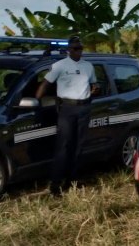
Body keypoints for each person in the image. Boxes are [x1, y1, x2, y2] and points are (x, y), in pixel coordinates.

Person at [35, 36, 99, 196]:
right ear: (69, 50)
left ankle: (73, 181)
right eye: (76, 48)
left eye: (81, 48)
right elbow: (45, 84)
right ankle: (55, 184)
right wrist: (36, 102)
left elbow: (94, 84)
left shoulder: (88, 66)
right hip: (67, 108)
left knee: (79, 146)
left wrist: (95, 89)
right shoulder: (59, 66)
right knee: (63, 146)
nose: (79, 51)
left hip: (84, 107)